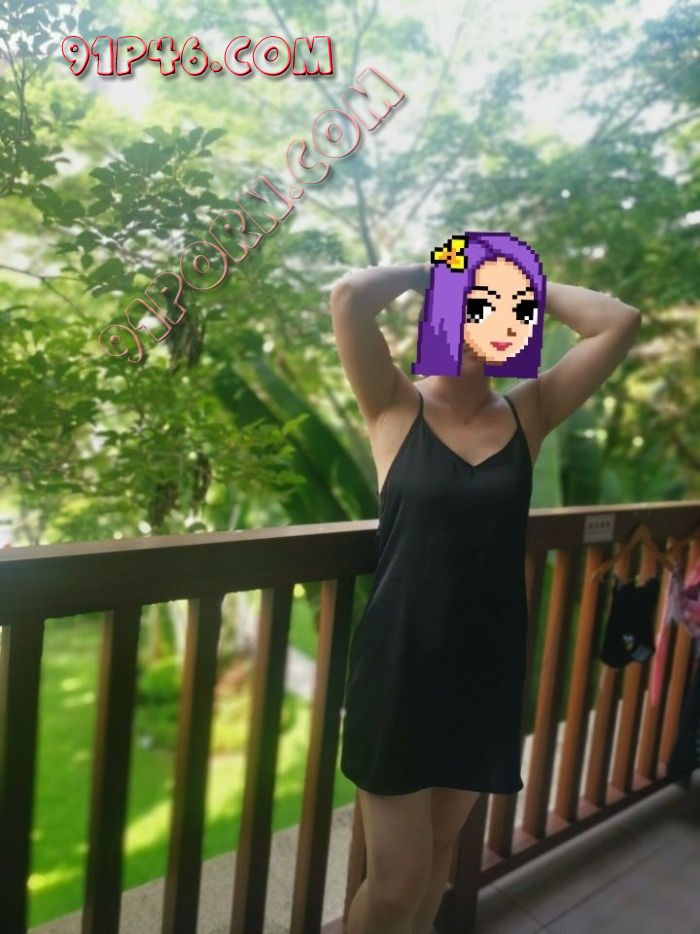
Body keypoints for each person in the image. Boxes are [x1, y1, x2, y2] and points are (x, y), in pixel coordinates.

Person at [329, 247, 641, 934]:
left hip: (485, 666)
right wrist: (444, 271)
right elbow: (350, 295)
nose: (493, 321)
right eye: (474, 306)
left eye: (509, 311)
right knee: (395, 884)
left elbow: (618, 321)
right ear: (444, 310)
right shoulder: (394, 402)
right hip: (401, 665)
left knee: (440, 852)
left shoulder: (530, 410)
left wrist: (518, 278)